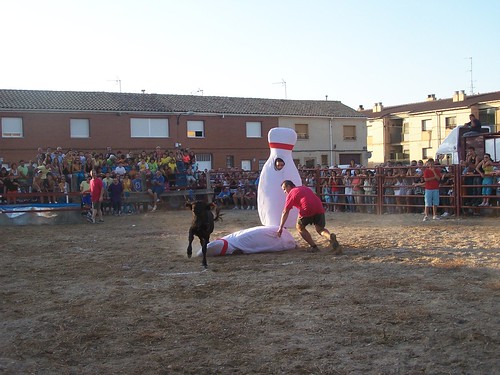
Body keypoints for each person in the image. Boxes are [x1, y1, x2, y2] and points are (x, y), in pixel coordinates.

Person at [277, 180, 341, 254]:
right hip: (318, 206)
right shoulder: (304, 188)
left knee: (299, 227)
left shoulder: (291, 193)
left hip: (306, 208)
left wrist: (280, 227)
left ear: (289, 186)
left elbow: (285, 212)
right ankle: (330, 237)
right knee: (320, 229)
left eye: (284, 189)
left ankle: (314, 247)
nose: (284, 192)